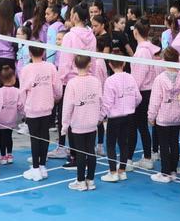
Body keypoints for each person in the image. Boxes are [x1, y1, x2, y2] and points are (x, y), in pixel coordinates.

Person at [19, 44, 60, 181]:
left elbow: (22, 90)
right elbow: (58, 88)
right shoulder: (50, 67)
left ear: (30, 53)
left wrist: (23, 107)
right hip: (47, 106)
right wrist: (55, 98)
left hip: (33, 108)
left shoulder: (26, 69)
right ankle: (41, 166)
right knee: (44, 135)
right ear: (43, 52)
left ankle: (37, 168)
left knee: (35, 138)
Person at [148, 46, 180, 184]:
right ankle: (173, 171)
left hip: (163, 118)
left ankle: (165, 173)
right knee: (174, 143)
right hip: (177, 116)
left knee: (164, 145)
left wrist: (151, 116)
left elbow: (155, 101)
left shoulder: (160, 79)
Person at [62, 52, 103, 191]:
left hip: (78, 123)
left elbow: (67, 106)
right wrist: (100, 117)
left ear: (74, 65)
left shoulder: (72, 83)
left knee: (80, 152)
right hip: (92, 122)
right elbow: (101, 101)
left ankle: (81, 181)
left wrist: (64, 124)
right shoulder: (96, 81)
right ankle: (90, 180)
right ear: (89, 65)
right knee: (90, 151)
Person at [100, 52, 140, 182]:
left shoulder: (110, 81)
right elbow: (138, 97)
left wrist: (100, 117)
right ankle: (122, 171)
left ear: (110, 65)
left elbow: (107, 102)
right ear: (124, 63)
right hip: (129, 115)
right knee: (124, 143)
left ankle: (112, 172)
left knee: (111, 144)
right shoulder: (130, 77)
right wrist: (130, 106)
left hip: (115, 117)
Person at [128, 20, 158, 169]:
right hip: (146, 91)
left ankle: (143, 157)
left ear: (135, 33)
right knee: (141, 126)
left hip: (142, 92)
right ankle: (146, 156)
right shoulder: (148, 49)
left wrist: (131, 95)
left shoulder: (142, 52)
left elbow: (139, 77)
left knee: (138, 126)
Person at [0, 66, 21, 165]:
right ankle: (10, 154)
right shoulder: (17, 91)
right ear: (13, 78)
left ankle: (3, 156)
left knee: (2, 137)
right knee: (9, 136)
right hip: (12, 118)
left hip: (1, 119)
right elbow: (20, 105)